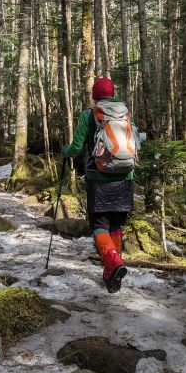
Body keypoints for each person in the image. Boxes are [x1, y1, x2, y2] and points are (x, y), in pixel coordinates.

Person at [62, 77, 137, 293]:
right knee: (116, 225)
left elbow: (76, 147)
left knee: (99, 225)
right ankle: (111, 275)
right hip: (125, 178)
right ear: (112, 94)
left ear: (95, 95)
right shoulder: (125, 113)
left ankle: (114, 262)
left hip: (99, 178)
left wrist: (66, 152)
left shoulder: (90, 114)